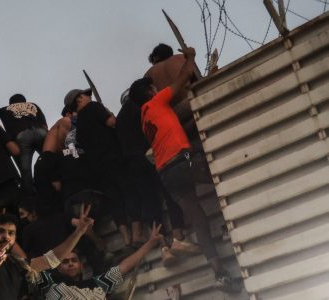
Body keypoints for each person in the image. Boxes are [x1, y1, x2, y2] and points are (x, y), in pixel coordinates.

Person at [129, 46, 240, 292]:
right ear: (150, 92)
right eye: (153, 88)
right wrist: (190, 56)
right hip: (182, 160)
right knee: (224, 178)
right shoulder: (157, 102)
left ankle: (219, 273)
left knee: (199, 220)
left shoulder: (144, 117)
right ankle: (231, 223)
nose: (156, 88)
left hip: (166, 173)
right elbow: (182, 81)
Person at [0, 173, 95, 300]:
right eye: (0, 231)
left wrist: (78, 232)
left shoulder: (20, 266)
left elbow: (53, 258)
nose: (6, 236)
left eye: (11, 233)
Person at [116, 89, 198, 266]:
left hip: (135, 167)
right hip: (153, 157)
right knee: (170, 195)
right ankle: (178, 238)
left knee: (150, 203)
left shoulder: (119, 120)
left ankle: (163, 249)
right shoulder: (143, 108)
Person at [64, 88, 133, 250]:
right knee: (130, 192)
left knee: (116, 201)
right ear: (79, 99)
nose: (90, 96)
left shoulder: (78, 126)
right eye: (86, 95)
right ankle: (139, 233)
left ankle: (126, 239)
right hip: (115, 160)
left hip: (99, 170)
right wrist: (108, 113)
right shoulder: (94, 107)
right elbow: (113, 123)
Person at [37, 223, 163, 299]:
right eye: (65, 262)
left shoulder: (95, 285)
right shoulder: (54, 289)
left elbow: (123, 267)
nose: (70, 264)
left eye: (74, 260)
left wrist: (150, 243)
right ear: (58, 267)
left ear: (81, 266)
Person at [0, 94, 48, 195]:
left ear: (10, 103)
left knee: (26, 171)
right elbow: (45, 126)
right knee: (50, 159)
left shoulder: (6, 109)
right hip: (41, 132)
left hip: (21, 136)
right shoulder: (33, 105)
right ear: (24, 101)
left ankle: (31, 200)